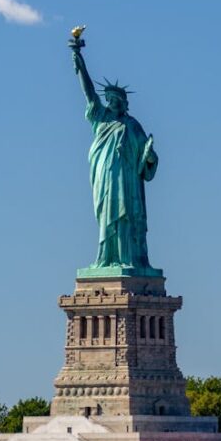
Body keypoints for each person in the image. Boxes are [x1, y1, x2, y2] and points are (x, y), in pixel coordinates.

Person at [70, 38, 158, 270]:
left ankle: (128, 259)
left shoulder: (131, 125)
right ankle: (106, 259)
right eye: (110, 100)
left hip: (127, 179)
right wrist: (80, 63)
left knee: (126, 216)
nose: (112, 103)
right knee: (107, 215)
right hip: (105, 175)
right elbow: (89, 94)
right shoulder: (101, 118)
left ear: (124, 103)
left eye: (117, 101)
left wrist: (149, 157)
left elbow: (148, 157)